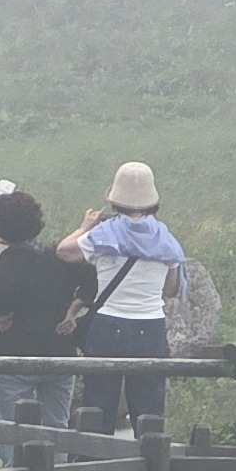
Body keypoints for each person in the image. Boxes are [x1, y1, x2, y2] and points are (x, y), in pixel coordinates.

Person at [59, 161, 187, 427]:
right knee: (149, 408)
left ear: (115, 199)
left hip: (107, 325)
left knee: (98, 404)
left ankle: (99, 450)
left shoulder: (103, 234)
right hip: (150, 327)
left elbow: (64, 251)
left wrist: (85, 226)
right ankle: (150, 451)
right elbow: (170, 290)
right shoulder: (166, 240)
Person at [0, 189, 88, 424]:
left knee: (10, 427)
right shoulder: (60, 259)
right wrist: (73, 311)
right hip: (59, 352)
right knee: (57, 426)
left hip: (16, 354)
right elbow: (92, 283)